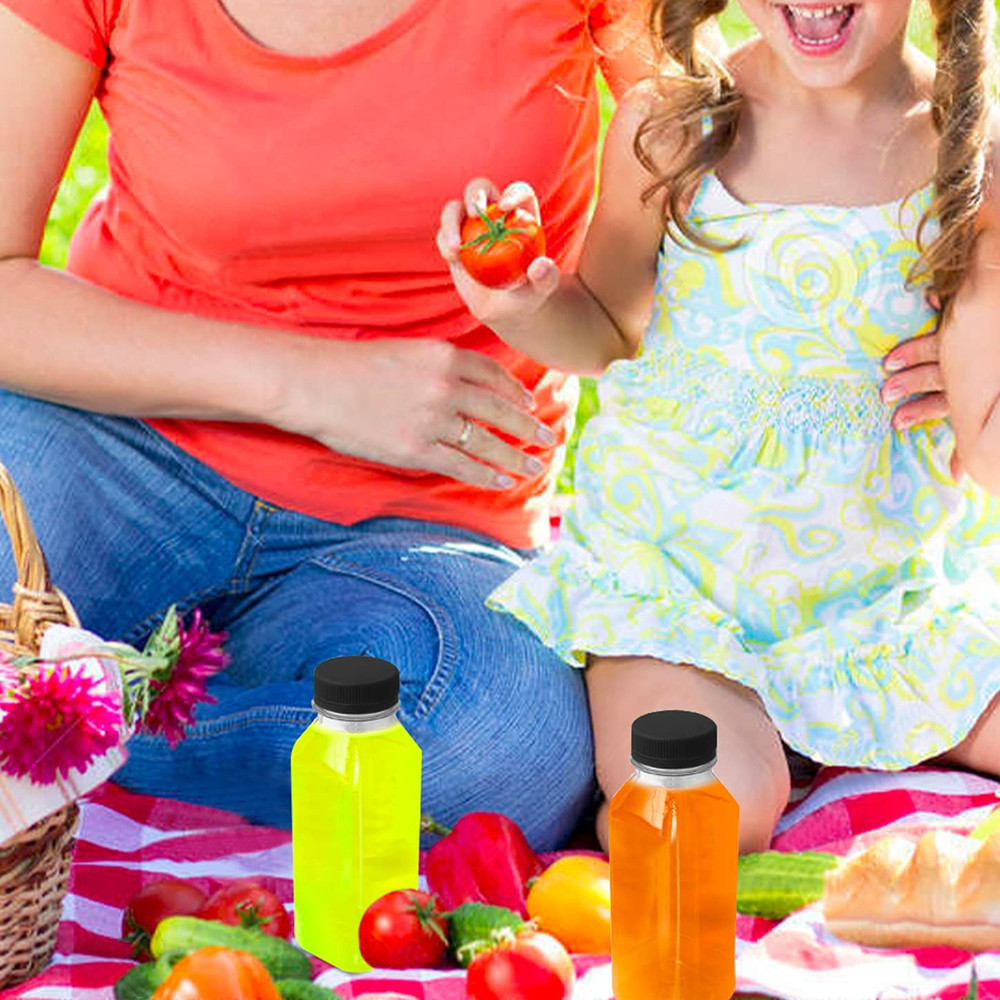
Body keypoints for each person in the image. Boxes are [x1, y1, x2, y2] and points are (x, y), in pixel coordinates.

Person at [0, 0, 672, 846]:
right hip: (125, 450)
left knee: (498, 747)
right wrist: (313, 385)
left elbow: (728, 128)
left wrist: (891, 252)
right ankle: (97, 721)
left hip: (419, 527)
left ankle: (53, 729)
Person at [437, 0, 1000, 853]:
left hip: (881, 605)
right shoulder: (674, 125)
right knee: (714, 807)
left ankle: (850, 716)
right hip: (678, 593)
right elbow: (604, 327)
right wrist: (519, 301)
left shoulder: (965, 158)